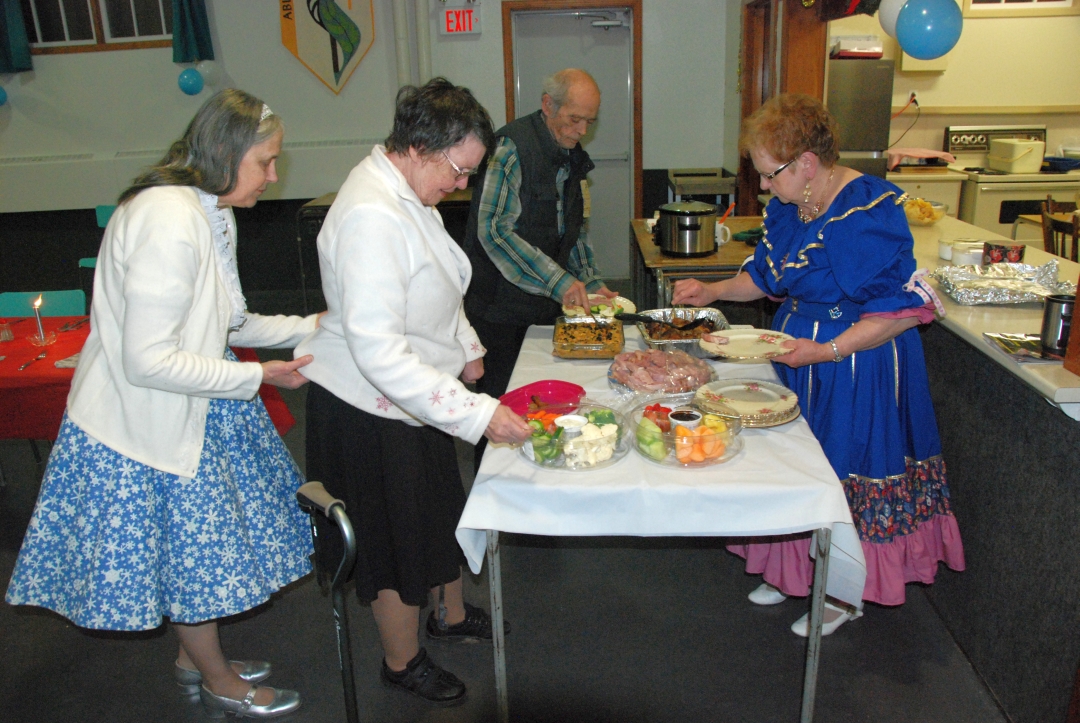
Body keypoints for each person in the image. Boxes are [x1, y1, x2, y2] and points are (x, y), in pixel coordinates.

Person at [4, 90, 319, 717]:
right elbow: (147, 360)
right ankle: (217, 679)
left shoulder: (210, 208)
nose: (273, 176)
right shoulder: (167, 220)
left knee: (198, 549)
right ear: (225, 153)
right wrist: (257, 376)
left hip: (190, 402)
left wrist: (311, 326)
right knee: (192, 557)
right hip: (142, 423)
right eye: (265, 162)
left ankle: (195, 658)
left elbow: (227, 320)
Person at [673, 94, 965, 637]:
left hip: (854, 362)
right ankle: (793, 573)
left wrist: (828, 350)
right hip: (798, 353)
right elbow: (765, 278)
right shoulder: (793, 204)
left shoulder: (865, 211)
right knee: (795, 468)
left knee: (842, 471)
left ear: (807, 162)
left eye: (770, 174)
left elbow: (899, 312)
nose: (764, 187)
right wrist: (712, 290)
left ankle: (842, 594)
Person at [296, 77, 532, 707]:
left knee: (434, 508)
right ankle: (401, 662)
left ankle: (448, 615)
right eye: (460, 170)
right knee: (392, 537)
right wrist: (477, 414)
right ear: (422, 147)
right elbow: (379, 352)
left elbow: (437, 285)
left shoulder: (410, 190)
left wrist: (467, 347)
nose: (462, 184)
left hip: (420, 395)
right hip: (367, 407)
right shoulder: (371, 215)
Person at [463, 68, 617, 468]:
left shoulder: (570, 155)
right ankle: (493, 491)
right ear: (548, 105)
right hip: (498, 310)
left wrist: (591, 281)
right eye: (574, 119)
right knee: (500, 414)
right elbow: (493, 231)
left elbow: (572, 232)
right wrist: (559, 281)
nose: (582, 130)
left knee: (545, 407)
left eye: (589, 121)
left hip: (544, 307)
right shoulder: (509, 148)